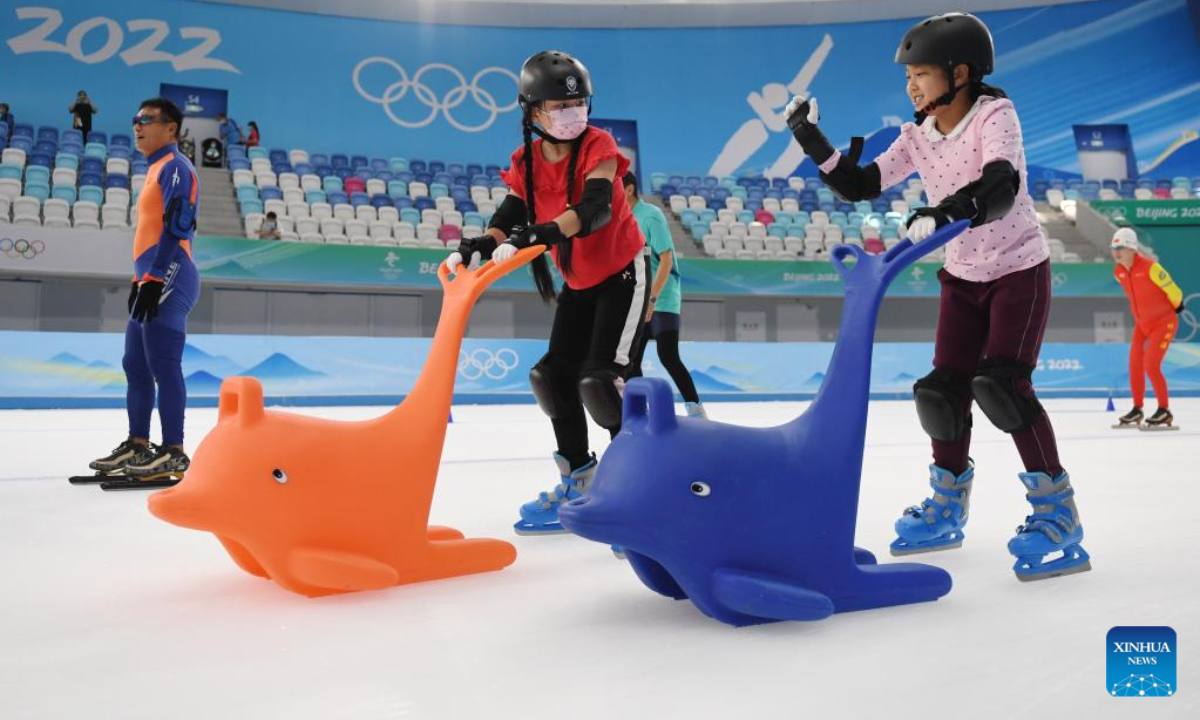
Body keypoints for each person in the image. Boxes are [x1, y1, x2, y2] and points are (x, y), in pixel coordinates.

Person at [785, 13, 1089, 581]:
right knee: (941, 393)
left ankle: (1057, 513)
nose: (911, 86)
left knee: (1002, 386)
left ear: (961, 73)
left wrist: (945, 211)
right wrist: (809, 137)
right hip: (962, 274)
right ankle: (948, 506)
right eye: (908, 77)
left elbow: (1000, 185)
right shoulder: (917, 135)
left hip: (1018, 270)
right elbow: (860, 184)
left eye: (921, 74)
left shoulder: (994, 115)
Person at [445, 50, 647, 535]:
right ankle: (580, 479)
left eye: (578, 104)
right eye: (560, 107)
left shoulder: (598, 145)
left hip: (621, 274)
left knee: (601, 382)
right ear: (533, 112)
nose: (572, 114)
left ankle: (637, 489)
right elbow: (511, 212)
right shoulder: (527, 162)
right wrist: (481, 244)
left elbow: (595, 208)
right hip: (578, 282)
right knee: (551, 377)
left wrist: (543, 233)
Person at [88, 98, 200, 482]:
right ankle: (139, 444)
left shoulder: (176, 167)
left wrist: (153, 277)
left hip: (171, 274)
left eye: (147, 119)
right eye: (135, 119)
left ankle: (174, 452)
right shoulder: (154, 168)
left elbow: (176, 227)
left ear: (171, 128)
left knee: (163, 363)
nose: (138, 125)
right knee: (135, 365)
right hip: (150, 277)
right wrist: (141, 280)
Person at [622, 171, 707, 419]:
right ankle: (640, 414)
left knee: (668, 356)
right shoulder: (620, 219)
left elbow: (667, 259)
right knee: (630, 361)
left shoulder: (651, 215)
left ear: (629, 189)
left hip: (662, 295)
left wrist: (652, 299)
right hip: (637, 298)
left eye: (615, 187)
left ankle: (696, 410)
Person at [1110, 227, 1184, 430]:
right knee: (1134, 365)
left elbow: (1174, 291)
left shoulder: (1151, 267)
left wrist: (1176, 308)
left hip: (1164, 323)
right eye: (1114, 248)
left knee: (1151, 365)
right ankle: (1137, 408)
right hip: (1142, 325)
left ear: (1132, 248)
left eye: (1120, 248)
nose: (1116, 252)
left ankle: (1164, 410)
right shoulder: (1118, 273)